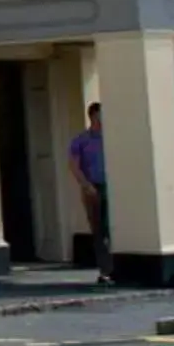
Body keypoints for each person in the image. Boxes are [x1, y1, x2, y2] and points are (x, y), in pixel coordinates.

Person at [67, 102, 110, 281]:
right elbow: (74, 166)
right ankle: (105, 270)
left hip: (110, 186)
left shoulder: (110, 138)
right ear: (93, 116)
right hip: (92, 187)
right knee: (98, 230)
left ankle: (115, 267)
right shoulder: (81, 140)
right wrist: (86, 185)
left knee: (111, 228)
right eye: (100, 115)